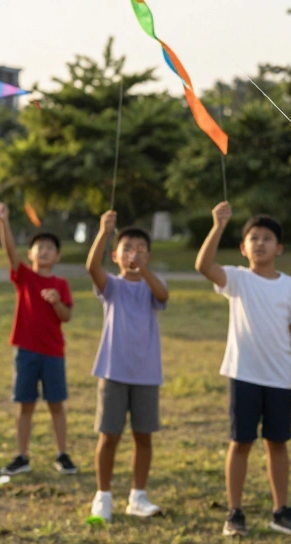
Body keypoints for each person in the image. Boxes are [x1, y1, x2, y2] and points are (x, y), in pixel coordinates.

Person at [196, 202, 291, 537]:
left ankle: (281, 510)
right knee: (241, 442)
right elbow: (203, 265)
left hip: (279, 379)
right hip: (243, 375)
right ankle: (234, 512)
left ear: (280, 248)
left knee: (277, 443)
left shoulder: (290, 286)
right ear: (243, 248)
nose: (260, 243)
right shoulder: (237, 278)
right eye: (253, 238)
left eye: (267, 238)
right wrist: (217, 225)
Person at [86, 211, 169, 523]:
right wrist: (104, 231)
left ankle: (138, 495)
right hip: (113, 371)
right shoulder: (113, 286)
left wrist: (144, 270)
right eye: (127, 247)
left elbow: (163, 295)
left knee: (143, 436)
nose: (133, 252)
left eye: (139, 248)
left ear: (148, 255)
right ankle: (103, 496)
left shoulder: (152, 285)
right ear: (115, 255)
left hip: (146, 374)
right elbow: (91, 267)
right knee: (109, 435)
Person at [0, 203, 77, 477]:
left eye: (50, 248)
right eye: (39, 247)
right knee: (25, 405)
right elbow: (8, 251)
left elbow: (66, 317)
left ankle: (62, 454)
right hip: (26, 352)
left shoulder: (61, 284)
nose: (44, 251)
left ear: (58, 256)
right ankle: (22, 455)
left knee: (56, 405)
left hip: (53, 353)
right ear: (30, 254)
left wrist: (55, 302)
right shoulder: (25, 277)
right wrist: (4, 222)